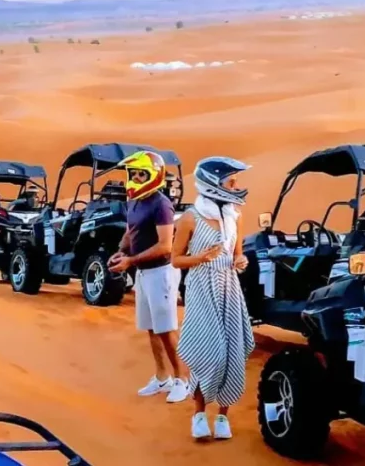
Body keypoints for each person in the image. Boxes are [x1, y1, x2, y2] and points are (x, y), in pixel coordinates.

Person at [171, 156, 255, 440]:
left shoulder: (235, 216)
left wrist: (240, 260)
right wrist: (200, 257)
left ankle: (222, 416)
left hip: (228, 287)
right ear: (213, 183)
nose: (236, 186)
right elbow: (175, 260)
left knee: (232, 352)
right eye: (231, 181)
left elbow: (237, 253)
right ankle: (198, 414)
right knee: (210, 352)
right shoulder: (189, 218)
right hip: (200, 287)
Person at [108, 150, 189, 403]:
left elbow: (166, 246)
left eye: (141, 173)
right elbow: (131, 232)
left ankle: (182, 380)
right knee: (152, 329)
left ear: (153, 175)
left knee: (166, 329)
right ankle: (162, 377)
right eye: (133, 173)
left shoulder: (161, 204)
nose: (135, 177)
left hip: (162, 272)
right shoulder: (134, 200)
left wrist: (130, 260)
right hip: (143, 274)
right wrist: (120, 251)